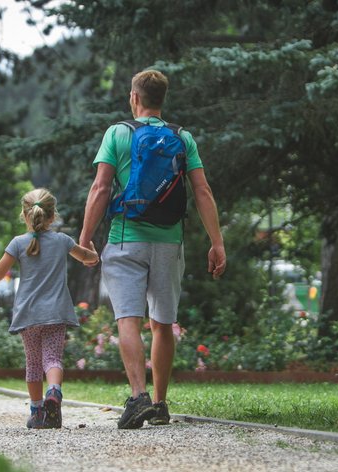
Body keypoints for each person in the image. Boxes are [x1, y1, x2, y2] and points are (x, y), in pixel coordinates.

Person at [80, 69, 227, 429]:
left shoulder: (118, 133)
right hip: (169, 241)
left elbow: (101, 188)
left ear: (134, 98)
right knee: (162, 323)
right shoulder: (183, 137)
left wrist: (84, 238)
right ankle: (160, 404)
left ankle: (138, 397)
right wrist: (217, 242)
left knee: (128, 319)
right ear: (162, 99)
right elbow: (202, 191)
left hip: (126, 238)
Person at [0, 188, 99, 429]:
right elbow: (88, 258)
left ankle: (37, 412)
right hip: (55, 313)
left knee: (33, 363)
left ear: (24, 215)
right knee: (53, 359)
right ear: (52, 216)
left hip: (28, 315)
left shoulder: (17, 243)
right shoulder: (63, 241)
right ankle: (54, 391)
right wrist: (94, 254)